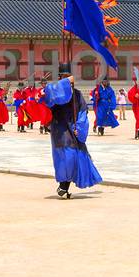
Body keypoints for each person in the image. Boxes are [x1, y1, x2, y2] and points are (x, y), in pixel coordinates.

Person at [43, 64, 102, 199]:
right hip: (60, 132)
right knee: (66, 159)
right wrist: (66, 82)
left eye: (69, 76)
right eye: (64, 77)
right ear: (59, 78)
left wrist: (79, 129)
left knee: (76, 158)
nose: (68, 79)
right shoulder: (52, 91)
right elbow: (51, 99)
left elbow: (82, 113)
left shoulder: (77, 94)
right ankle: (63, 186)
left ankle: (64, 187)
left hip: (73, 131)